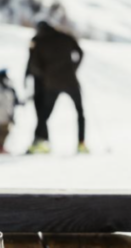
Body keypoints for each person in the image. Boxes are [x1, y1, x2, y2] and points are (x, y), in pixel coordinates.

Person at [25, 21, 88, 154]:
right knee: (80, 113)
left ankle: (39, 142)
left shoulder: (40, 42)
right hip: (70, 81)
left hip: (51, 83)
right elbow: (80, 52)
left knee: (44, 115)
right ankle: (81, 144)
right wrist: (73, 69)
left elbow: (34, 65)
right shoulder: (65, 37)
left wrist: (46, 74)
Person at [0, 69, 20, 154]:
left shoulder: (6, 86)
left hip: (7, 112)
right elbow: (3, 100)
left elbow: (11, 99)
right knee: (3, 129)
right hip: (2, 113)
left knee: (4, 129)